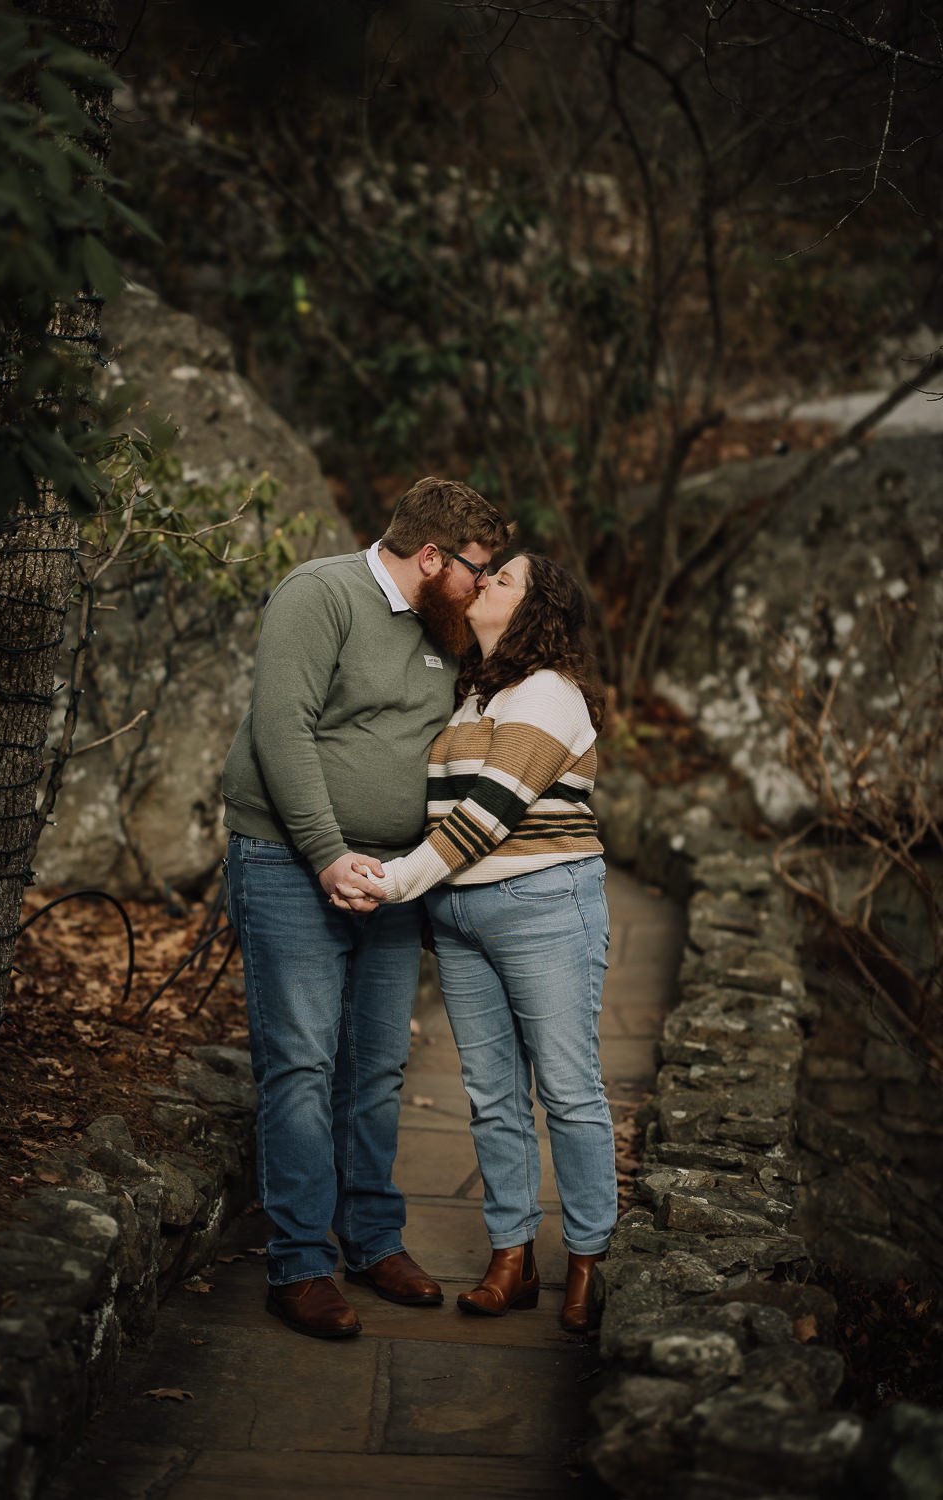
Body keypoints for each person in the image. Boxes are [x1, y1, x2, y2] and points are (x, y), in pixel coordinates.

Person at [222, 477, 509, 1340]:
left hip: (391, 881)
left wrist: (410, 870)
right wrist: (324, 852)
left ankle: (374, 1240)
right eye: (475, 569)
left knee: (375, 1066)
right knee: (301, 1063)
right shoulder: (320, 595)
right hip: (287, 858)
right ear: (431, 557)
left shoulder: (442, 628)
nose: (481, 585)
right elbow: (282, 728)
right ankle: (300, 1265)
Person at [335, 554, 617, 1334]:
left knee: (567, 1089)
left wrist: (392, 885)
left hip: (542, 908)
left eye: (505, 579)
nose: (485, 581)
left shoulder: (549, 695)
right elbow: (441, 815)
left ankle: (590, 1258)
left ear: (538, 608)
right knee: (493, 1099)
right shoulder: (473, 697)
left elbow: (486, 817)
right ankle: (511, 1257)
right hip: (460, 918)